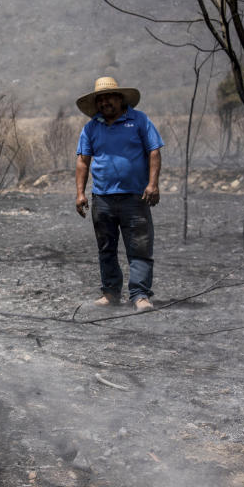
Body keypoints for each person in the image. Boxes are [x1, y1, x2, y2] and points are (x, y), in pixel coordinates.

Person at [74, 76, 163, 312]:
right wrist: (80, 193)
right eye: (100, 99)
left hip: (135, 197)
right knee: (106, 248)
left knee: (140, 247)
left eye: (109, 97)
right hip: (102, 198)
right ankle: (111, 293)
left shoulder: (139, 121)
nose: (105, 103)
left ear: (120, 98)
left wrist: (153, 184)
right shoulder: (92, 127)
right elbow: (83, 161)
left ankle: (140, 295)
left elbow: (154, 151)